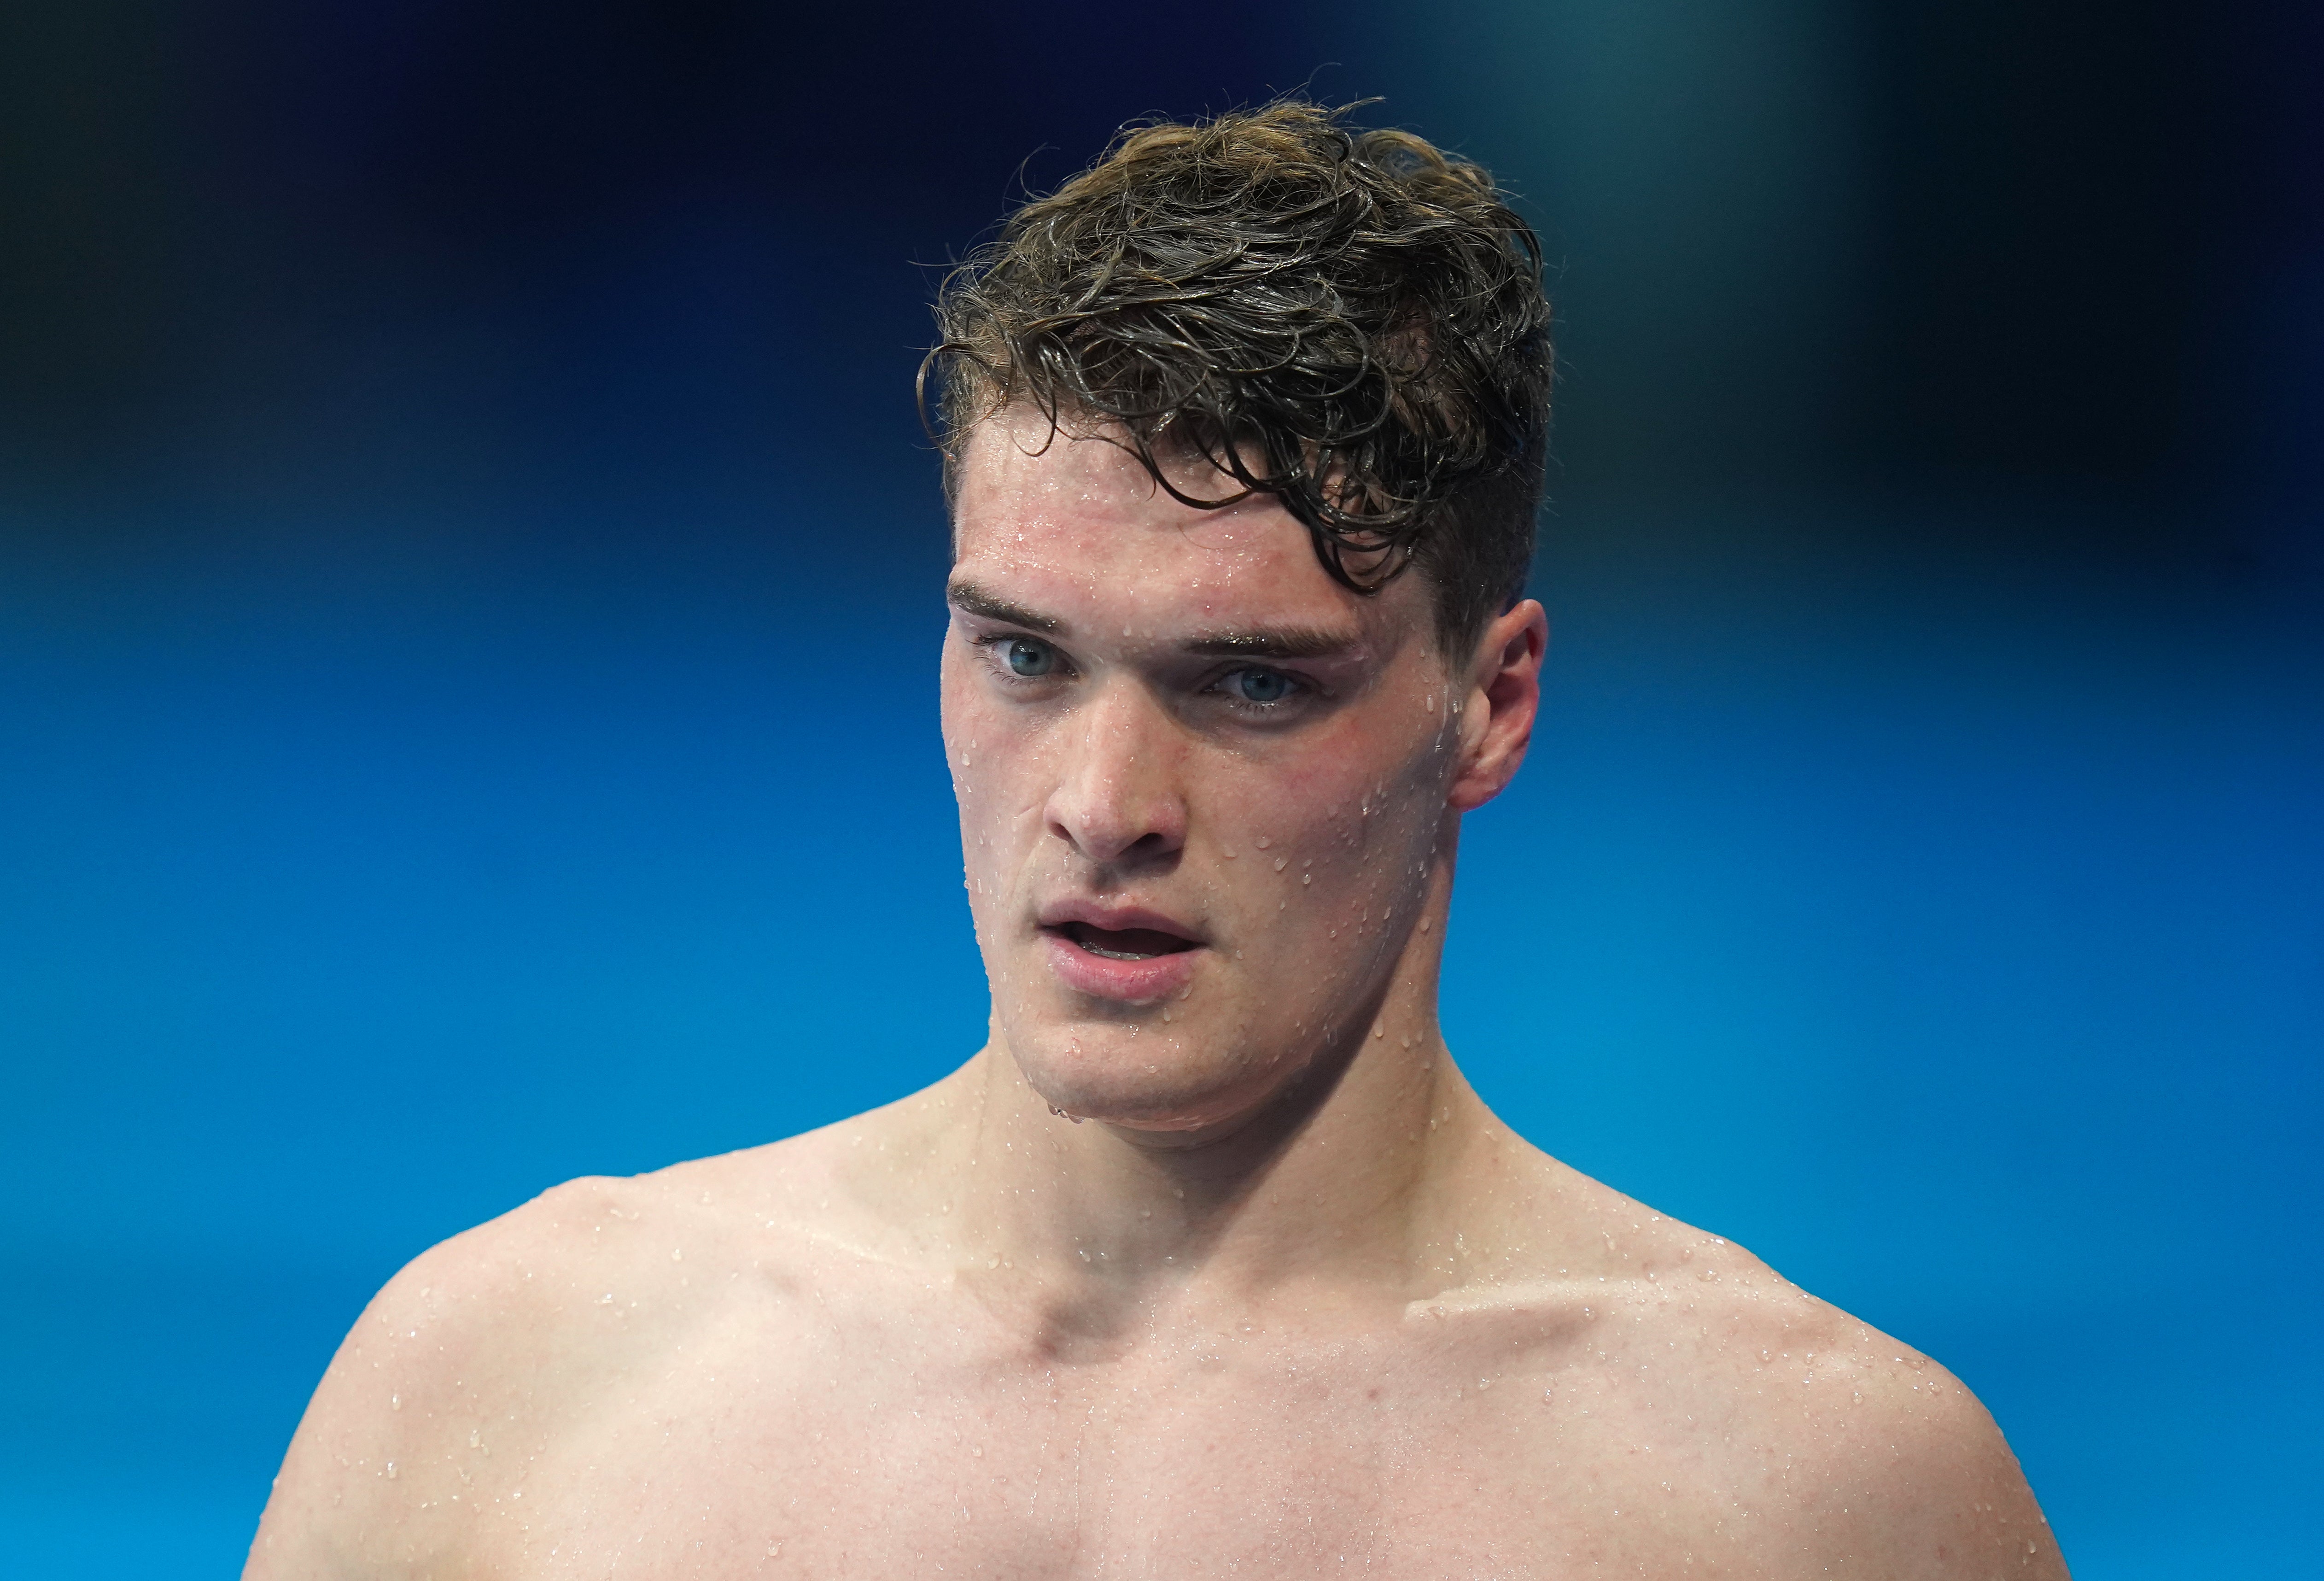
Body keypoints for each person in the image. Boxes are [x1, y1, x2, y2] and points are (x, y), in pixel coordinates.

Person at [247, 100, 2068, 1578]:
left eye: (1251, 685)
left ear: (1488, 705)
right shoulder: (515, 1382)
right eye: (1025, 655)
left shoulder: (1810, 1507)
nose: (1102, 805)